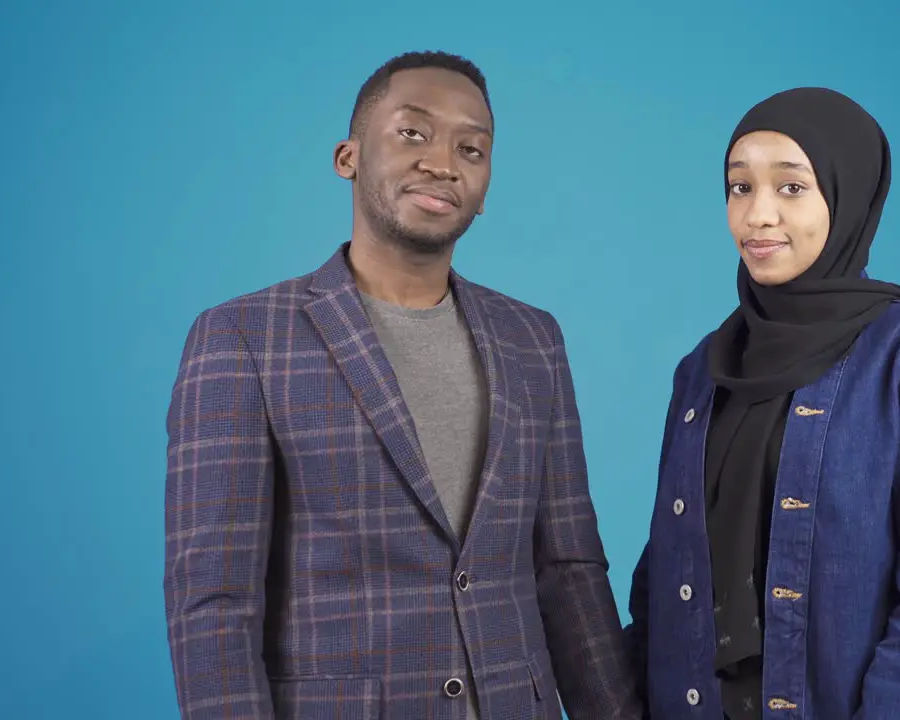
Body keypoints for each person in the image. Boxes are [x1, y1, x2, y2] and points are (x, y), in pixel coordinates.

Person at [163, 50, 642, 719]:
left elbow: (569, 572)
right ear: (348, 156)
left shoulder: (535, 340)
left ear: (486, 185)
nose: (443, 162)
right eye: (412, 133)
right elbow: (213, 603)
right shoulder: (243, 338)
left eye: (471, 148)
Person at [624, 87, 900, 719]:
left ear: (847, 192)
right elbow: (667, 571)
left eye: (791, 187)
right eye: (740, 187)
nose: (757, 216)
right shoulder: (703, 370)